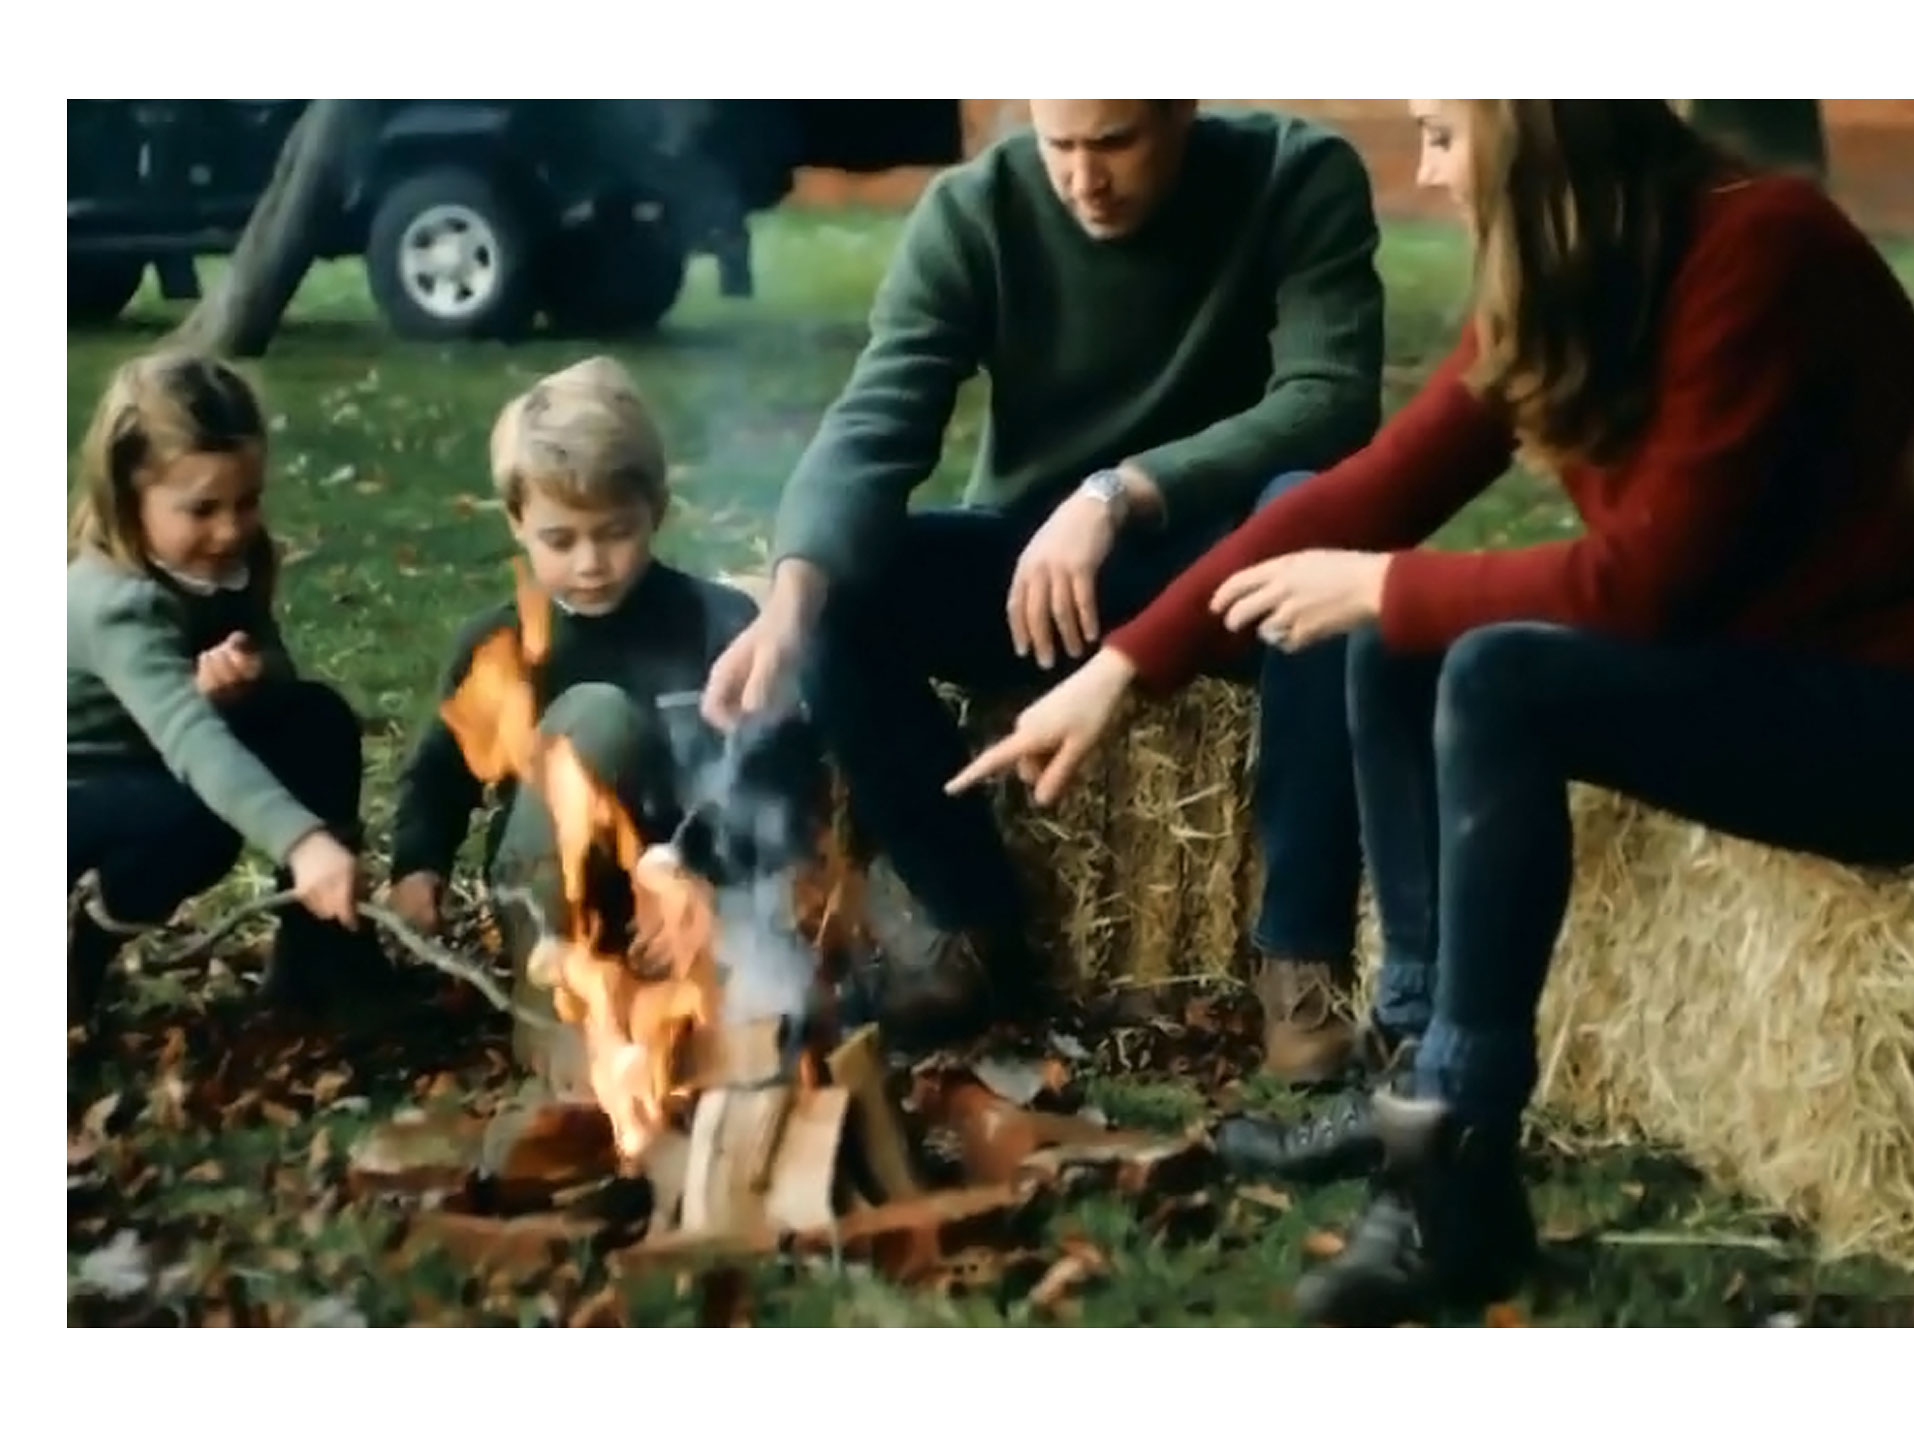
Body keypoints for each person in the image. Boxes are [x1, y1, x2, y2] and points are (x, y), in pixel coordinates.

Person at [947, 99, 1914, 1325]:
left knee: (1484, 665)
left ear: (1533, 128)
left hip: (1896, 717)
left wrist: (1384, 582)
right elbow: (1370, 489)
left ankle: (1456, 1177)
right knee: (1397, 630)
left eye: (1438, 131)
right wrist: (1117, 669)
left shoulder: (1760, 250)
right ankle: (1406, 1074)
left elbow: (1646, 581)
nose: (1422, 173)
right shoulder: (1579, 266)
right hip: (1744, 670)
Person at [701, 100, 1388, 1064]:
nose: (1082, 178)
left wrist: (1119, 492)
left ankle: (1301, 966)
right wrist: (792, 594)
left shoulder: (1297, 174)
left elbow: (1329, 398)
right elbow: (878, 417)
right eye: (1059, 144)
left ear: (1182, 109)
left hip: (1228, 555)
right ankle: (968, 924)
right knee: (846, 592)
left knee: (1318, 522)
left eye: (1114, 143)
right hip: (1036, 574)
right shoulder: (974, 208)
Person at [386, 356, 824, 1092]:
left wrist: (700, 876)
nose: (590, 563)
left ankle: (713, 1040)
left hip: (697, 889)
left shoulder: (719, 625)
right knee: (597, 715)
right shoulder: (500, 648)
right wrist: (417, 865)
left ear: (657, 509)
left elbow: (776, 767)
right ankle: (560, 1021)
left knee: (765, 1013)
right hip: (557, 900)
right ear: (517, 523)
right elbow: (439, 773)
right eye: (560, 540)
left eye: (614, 533)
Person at [67, 349, 399, 1041]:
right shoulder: (113, 603)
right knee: (197, 820)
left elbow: (269, 663)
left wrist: (252, 673)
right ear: (129, 496)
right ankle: (82, 946)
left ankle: (320, 960)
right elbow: (192, 741)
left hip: (156, 756)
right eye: (202, 509)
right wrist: (304, 842)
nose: (229, 528)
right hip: (76, 787)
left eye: (245, 502)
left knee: (316, 720)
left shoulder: (230, 561)